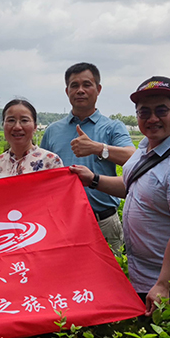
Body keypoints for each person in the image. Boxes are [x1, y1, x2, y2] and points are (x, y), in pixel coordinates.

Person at [69, 77, 170, 316]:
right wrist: (93, 180)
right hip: (147, 278)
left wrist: (164, 284)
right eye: (144, 112)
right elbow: (133, 188)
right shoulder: (145, 148)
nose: (152, 119)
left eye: (161, 110)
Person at [40, 63, 135, 256]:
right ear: (67, 91)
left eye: (87, 84)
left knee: (111, 281)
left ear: (98, 89)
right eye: (74, 85)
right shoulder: (52, 131)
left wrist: (98, 148)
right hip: (62, 223)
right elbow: (40, 172)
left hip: (103, 222)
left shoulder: (113, 127)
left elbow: (133, 158)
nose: (80, 90)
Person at [0, 99, 63, 180]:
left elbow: (61, 193)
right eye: (11, 120)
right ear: (3, 125)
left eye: (24, 120)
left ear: (35, 127)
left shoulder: (51, 161)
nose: (17, 127)